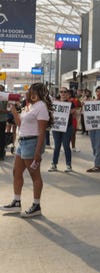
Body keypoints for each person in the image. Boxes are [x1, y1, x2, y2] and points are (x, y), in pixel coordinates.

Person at [0, 83, 53, 217]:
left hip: (32, 143)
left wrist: (37, 152)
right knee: (16, 172)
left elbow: (42, 132)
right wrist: (14, 112)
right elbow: (20, 124)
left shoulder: (41, 107)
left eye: (31, 91)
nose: (29, 93)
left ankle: (36, 206)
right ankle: (16, 202)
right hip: (22, 141)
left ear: (38, 92)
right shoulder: (29, 106)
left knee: (34, 175)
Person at [49, 87, 76, 172]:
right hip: (57, 127)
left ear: (67, 93)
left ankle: (68, 165)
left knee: (66, 146)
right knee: (57, 146)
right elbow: (50, 113)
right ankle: (54, 164)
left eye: (65, 92)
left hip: (67, 127)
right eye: (61, 92)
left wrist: (72, 112)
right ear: (59, 93)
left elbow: (75, 114)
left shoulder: (71, 103)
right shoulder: (55, 103)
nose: (63, 93)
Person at [0, 84, 8, 160]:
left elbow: (8, 108)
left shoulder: (6, 98)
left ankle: (1, 155)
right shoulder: (6, 97)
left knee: (2, 137)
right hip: (3, 119)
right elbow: (8, 109)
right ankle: (1, 155)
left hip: (2, 120)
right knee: (2, 137)